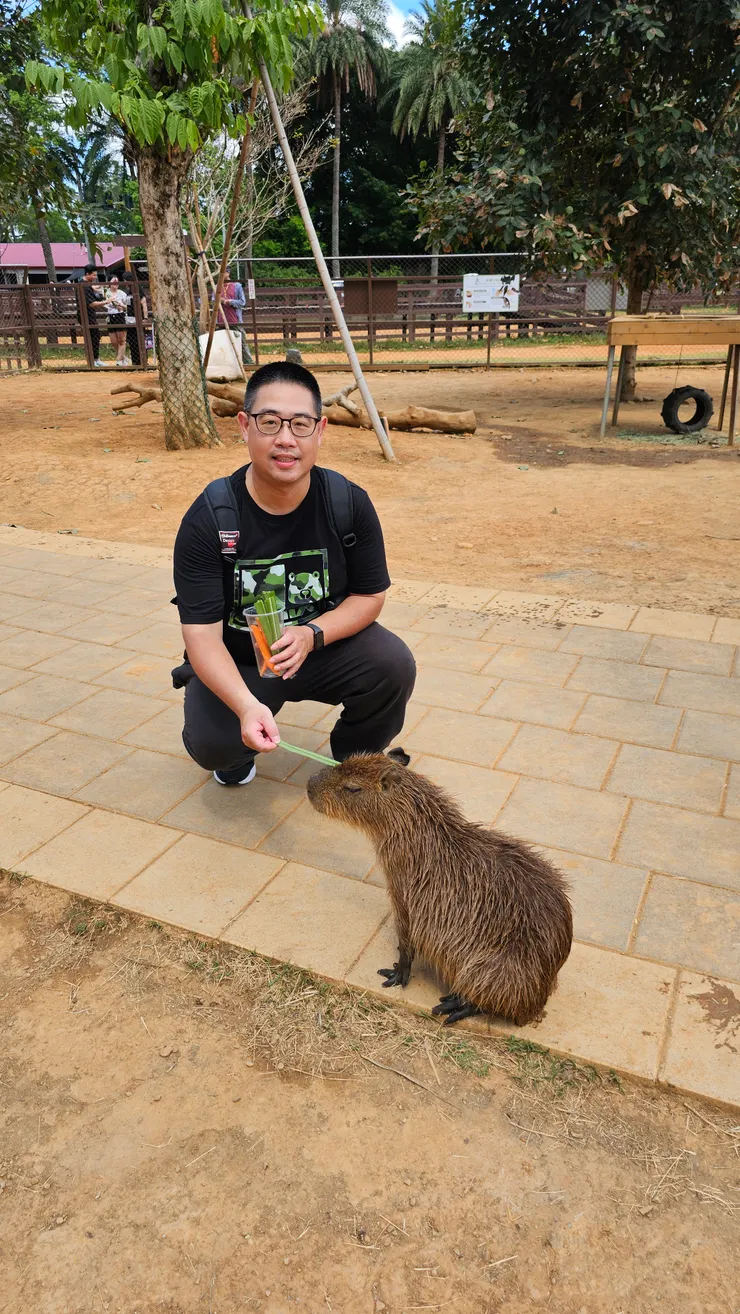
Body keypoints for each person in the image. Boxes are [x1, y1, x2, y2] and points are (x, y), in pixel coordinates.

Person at [173, 360, 416, 785]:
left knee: (392, 664)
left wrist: (310, 634)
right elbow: (201, 637)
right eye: (270, 423)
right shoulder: (210, 518)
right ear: (244, 426)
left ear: (320, 431)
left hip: (322, 647)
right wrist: (245, 706)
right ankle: (237, 751)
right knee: (214, 743)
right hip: (242, 660)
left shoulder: (347, 503)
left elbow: (369, 596)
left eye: (300, 424)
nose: (285, 439)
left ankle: (355, 759)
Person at [121, 271, 148, 367]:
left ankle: (143, 361)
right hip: (130, 319)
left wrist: (145, 317)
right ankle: (135, 362)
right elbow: (129, 306)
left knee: (139, 340)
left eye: (125, 280)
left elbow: (144, 304)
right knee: (132, 341)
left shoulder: (137, 289)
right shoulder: (128, 291)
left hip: (138, 318)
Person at [81, 264, 104, 366]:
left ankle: (94, 359)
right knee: (94, 336)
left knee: (95, 336)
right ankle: (94, 359)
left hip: (90, 314)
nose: (95, 277)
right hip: (87, 315)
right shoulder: (85, 286)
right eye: (93, 275)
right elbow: (91, 303)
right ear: (87, 274)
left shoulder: (85, 284)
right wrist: (106, 302)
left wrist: (94, 288)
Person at [103, 275, 129, 366]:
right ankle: (123, 357)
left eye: (117, 282)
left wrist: (121, 305)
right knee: (114, 341)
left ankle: (119, 360)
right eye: (113, 282)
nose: (115, 284)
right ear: (109, 283)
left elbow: (128, 307)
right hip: (110, 317)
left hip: (120, 316)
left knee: (121, 340)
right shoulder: (106, 292)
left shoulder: (122, 293)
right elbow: (104, 304)